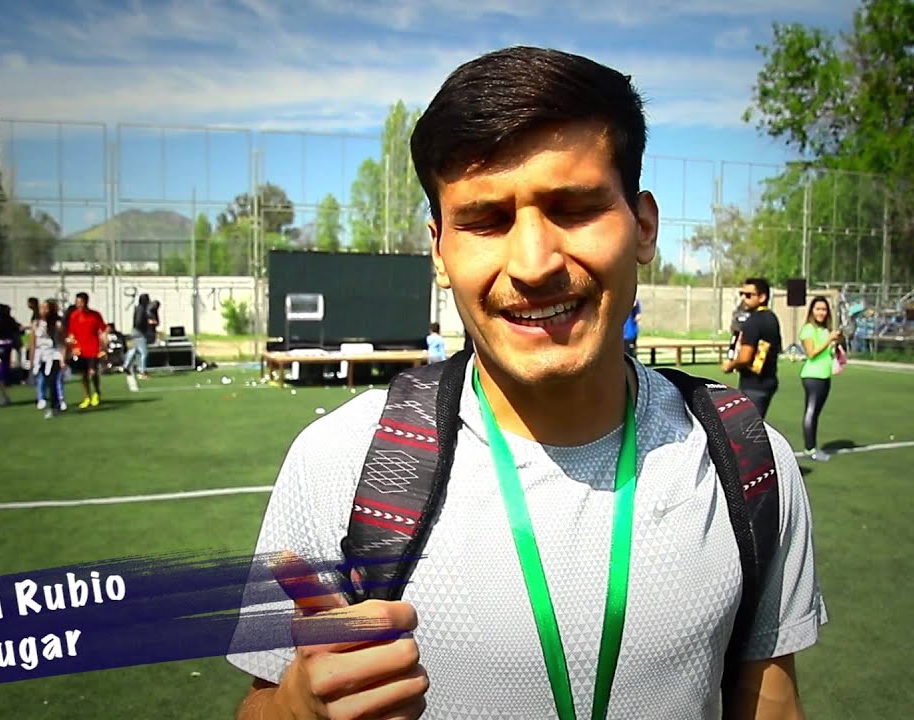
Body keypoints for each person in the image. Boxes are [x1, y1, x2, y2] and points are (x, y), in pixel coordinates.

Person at [228, 46, 825, 720]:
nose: (534, 264)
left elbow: (771, 702)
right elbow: (260, 706)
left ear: (644, 227)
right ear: (440, 250)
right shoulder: (337, 462)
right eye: (486, 220)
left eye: (574, 208)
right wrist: (298, 709)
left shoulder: (748, 461)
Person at [721, 278, 782, 418]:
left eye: (748, 295)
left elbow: (745, 357)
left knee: (747, 427)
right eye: (741, 294)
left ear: (762, 297)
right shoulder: (772, 318)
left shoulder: (752, 322)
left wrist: (730, 365)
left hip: (753, 385)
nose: (743, 298)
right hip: (768, 380)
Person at [798, 296, 844, 462]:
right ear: (812, 311)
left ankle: (812, 446)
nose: (821, 312)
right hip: (812, 376)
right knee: (811, 411)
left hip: (824, 375)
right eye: (818, 309)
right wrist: (829, 339)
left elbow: (828, 351)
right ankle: (810, 449)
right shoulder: (808, 329)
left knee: (815, 413)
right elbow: (812, 353)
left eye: (824, 309)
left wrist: (837, 341)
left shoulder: (825, 330)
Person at [66, 291, 108, 409]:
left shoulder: (95, 315)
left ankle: (97, 392)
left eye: (81, 302)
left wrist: (103, 345)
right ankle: (86, 397)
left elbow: (103, 329)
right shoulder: (74, 316)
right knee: (83, 375)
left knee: (92, 372)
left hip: (93, 348)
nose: (79, 304)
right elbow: (71, 333)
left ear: (86, 302)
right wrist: (72, 346)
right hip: (80, 349)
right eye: (77, 302)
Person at [30, 299, 67, 420]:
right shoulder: (36, 324)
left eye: (45, 308)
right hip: (41, 356)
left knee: (52, 380)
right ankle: (48, 401)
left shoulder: (57, 324)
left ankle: (54, 406)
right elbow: (33, 343)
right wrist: (32, 360)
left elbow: (63, 343)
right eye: (41, 308)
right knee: (44, 380)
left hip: (54, 354)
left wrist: (63, 359)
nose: (43, 311)